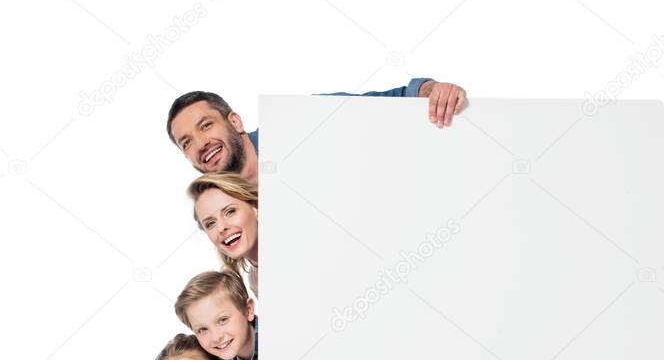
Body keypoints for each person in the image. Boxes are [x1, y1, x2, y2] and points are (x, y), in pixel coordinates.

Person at [166, 78, 468, 181]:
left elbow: (397, 99)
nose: (201, 143)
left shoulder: (304, 123)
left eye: (206, 126)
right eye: (186, 143)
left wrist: (433, 90)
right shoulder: (220, 216)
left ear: (235, 122)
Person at [187, 173, 259, 297]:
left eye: (230, 212)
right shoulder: (254, 279)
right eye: (210, 224)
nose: (221, 228)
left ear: (256, 207)